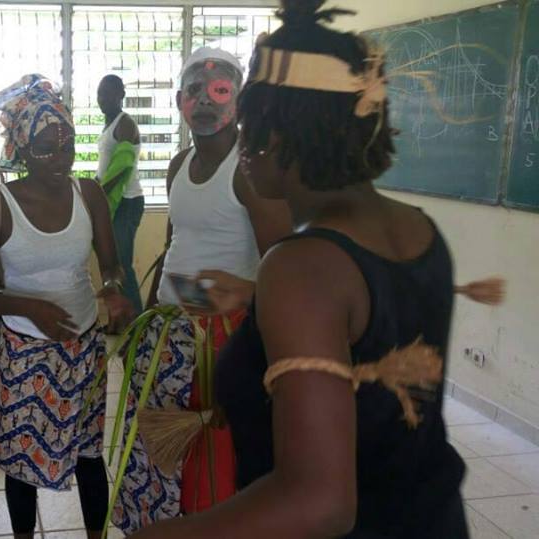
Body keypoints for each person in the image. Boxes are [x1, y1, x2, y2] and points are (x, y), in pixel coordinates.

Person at [131, 1, 469, 537]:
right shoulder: (418, 229)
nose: (241, 143)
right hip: (429, 516)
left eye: (250, 124)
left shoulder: (301, 265)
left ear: (276, 137)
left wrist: (171, 534)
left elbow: (320, 501)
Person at [111, 44, 291, 534]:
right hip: (169, 333)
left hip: (224, 339)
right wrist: (145, 326)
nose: (206, 101)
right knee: (159, 455)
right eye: (195, 90)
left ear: (239, 101)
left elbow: (287, 272)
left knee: (210, 463)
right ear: (179, 101)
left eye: (220, 90)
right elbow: (173, 246)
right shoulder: (179, 164)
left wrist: (246, 311)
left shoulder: (251, 169)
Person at [0, 74, 132, 539]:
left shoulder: (88, 194)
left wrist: (113, 288)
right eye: (46, 149)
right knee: (21, 463)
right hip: (23, 352)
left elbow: (111, 264)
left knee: (89, 455)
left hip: (83, 348)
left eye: (68, 146)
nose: (61, 158)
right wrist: (29, 308)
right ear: (20, 148)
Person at [96, 74, 143, 317]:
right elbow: (105, 168)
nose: (102, 98)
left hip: (127, 201)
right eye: (100, 93)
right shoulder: (109, 125)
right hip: (111, 202)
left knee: (122, 265)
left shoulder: (126, 124)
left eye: (108, 93)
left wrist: (99, 191)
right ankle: (122, 321)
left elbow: (123, 165)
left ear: (121, 95)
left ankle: (139, 326)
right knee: (113, 266)